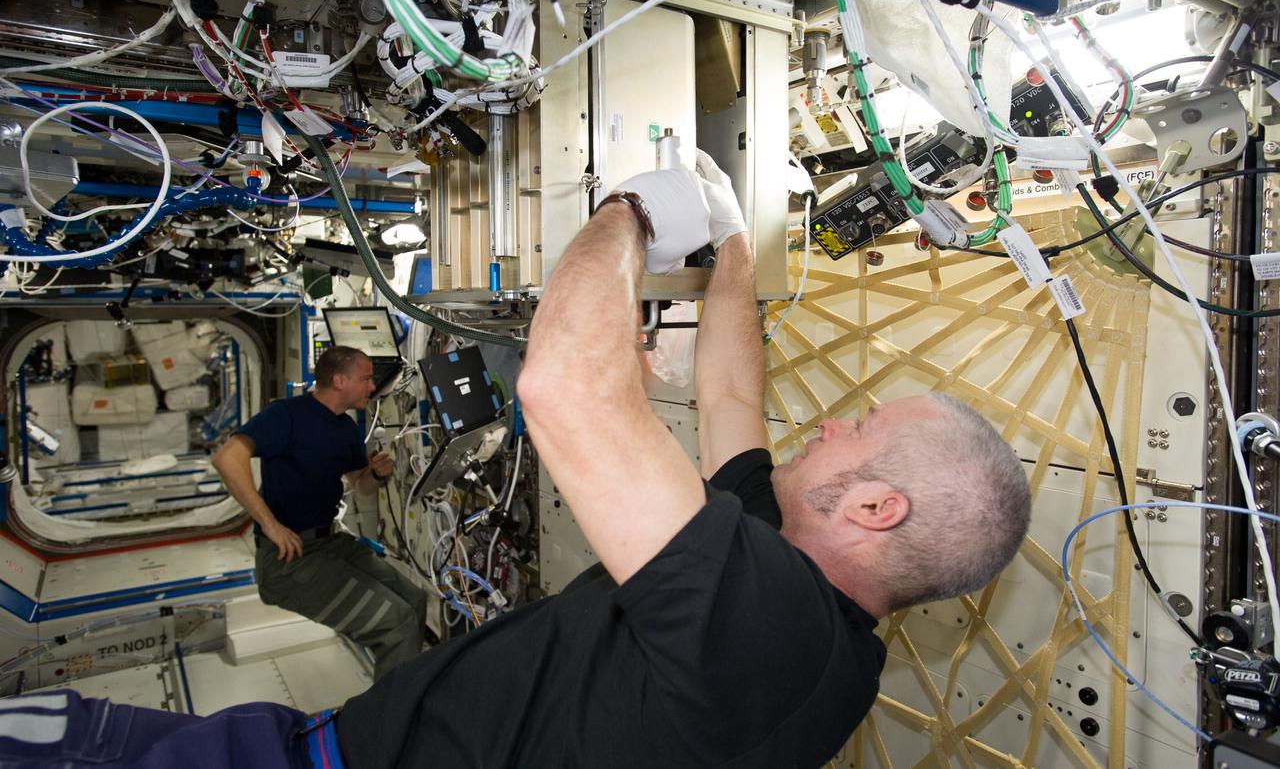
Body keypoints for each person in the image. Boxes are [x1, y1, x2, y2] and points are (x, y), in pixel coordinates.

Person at [0, 155, 1029, 769]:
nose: (830, 426)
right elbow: (730, 396)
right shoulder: (807, 614)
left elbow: (564, 388)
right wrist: (728, 251)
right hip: (310, 736)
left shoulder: (765, 626)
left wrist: (628, 208)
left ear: (879, 505)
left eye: (857, 430)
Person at [211, 345, 427, 682]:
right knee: (395, 623)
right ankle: (393, 723)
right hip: (289, 559)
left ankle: (409, 692)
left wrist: (376, 474)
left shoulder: (345, 427)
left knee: (414, 601)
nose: (372, 386)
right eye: (366, 378)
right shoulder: (287, 414)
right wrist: (271, 525)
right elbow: (227, 458)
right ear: (340, 381)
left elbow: (361, 484)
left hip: (330, 545)